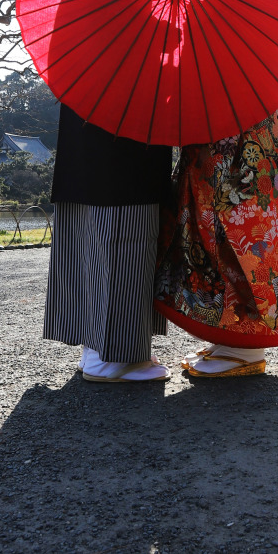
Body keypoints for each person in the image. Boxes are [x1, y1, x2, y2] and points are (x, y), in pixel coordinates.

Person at [153, 105, 278, 377]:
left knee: (235, 226)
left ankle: (245, 347)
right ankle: (228, 339)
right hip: (228, 120)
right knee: (210, 226)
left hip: (236, 126)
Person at [42, 103, 173, 381]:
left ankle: (94, 348)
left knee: (85, 237)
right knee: (125, 233)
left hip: (87, 115)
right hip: (124, 134)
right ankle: (113, 358)